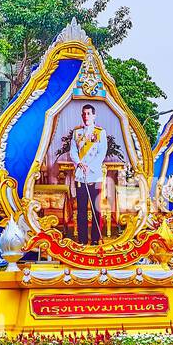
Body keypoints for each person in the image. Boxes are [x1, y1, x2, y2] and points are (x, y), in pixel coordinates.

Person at [68, 103, 107, 245]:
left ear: (94, 115)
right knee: (82, 210)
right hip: (80, 175)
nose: (86, 116)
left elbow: (101, 153)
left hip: (94, 175)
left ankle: (96, 239)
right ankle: (82, 240)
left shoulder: (100, 132)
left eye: (89, 114)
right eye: (84, 114)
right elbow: (72, 151)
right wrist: (79, 163)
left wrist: (89, 167)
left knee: (96, 209)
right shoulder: (77, 133)